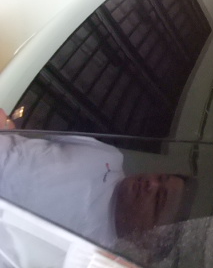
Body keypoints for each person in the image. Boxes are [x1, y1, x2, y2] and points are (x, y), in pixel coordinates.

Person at [0, 109, 187, 255]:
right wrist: (6, 124)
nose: (151, 184)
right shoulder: (110, 155)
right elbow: (33, 139)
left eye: (158, 199)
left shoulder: (88, 254)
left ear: (149, 239)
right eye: (161, 177)